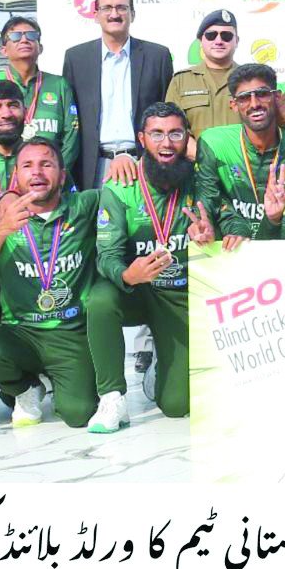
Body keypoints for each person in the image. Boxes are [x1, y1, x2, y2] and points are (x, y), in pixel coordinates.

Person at [0, 138, 108, 430]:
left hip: (69, 331)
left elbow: (125, 194)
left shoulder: (84, 205)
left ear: (61, 173)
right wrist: (3, 229)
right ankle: (26, 388)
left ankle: (59, 380)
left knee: (78, 414)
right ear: (16, 176)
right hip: (21, 331)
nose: (37, 172)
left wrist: (126, 162)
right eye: (27, 166)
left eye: (46, 164)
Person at [86, 103, 195, 421]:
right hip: (134, 290)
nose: (166, 143)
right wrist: (127, 275)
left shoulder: (199, 181)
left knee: (177, 406)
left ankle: (160, 371)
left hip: (177, 293)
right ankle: (112, 396)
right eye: (157, 134)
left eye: (175, 133)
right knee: (100, 299)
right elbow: (106, 256)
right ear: (141, 139)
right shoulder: (120, 186)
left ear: (187, 137)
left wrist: (211, 232)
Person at [192, 63, 285, 250]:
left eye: (262, 94)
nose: (254, 104)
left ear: (276, 96)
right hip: (231, 252)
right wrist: (208, 226)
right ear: (233, 105)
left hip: (283, 251)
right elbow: (208, 199)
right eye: (244, 98)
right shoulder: (213, 143)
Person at [61, 0, 174, 189]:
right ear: (95, 15)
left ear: (132, 14)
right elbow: (71, 116)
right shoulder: (76, 58)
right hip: (94, 168)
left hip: (143, 163)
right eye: (107, 8)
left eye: (122, 8)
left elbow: (168, 113)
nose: (115, 14)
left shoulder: (157, 56)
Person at [0, 16, 81, 181]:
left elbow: (71, 138)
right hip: (3, 179)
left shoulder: (59, 85)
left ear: (40, 47)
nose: (24, 40)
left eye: (31, 35)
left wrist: (56, 173)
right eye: (15, 36)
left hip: (49, 180)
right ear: (4, 50)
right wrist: (4, 173)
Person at [165, 9, 240, 149]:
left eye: (226, 36)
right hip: (194, 165)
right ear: (201, 41)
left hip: (241, 165)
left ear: (237, 41)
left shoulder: (249, 80)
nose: (219, 41)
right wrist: (197, 154)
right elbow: (170, 126)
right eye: (211, 35)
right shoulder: (181, 81)